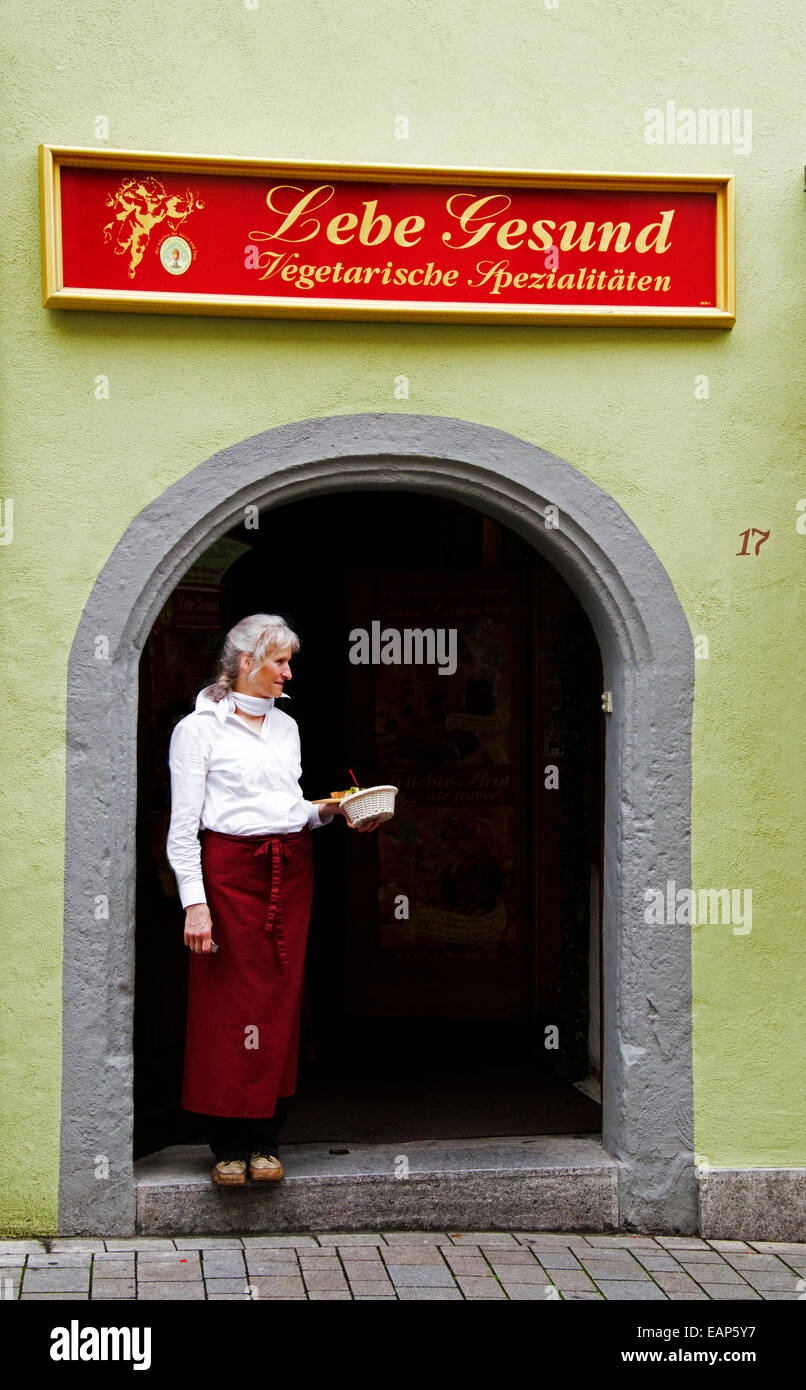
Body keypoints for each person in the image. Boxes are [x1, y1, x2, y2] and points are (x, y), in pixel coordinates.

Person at [165, 612, 384, 1187]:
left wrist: (333, 810)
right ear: (246, 662)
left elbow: (289, 809)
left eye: (289, 662)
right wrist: (195, 902)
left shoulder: (286, 726)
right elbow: (183, 826)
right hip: (229, 874)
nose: (288, 673)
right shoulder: (198, 730)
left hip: (291, 869)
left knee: (279, 1001)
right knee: (226, 1003)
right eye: (280, 661)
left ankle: (266, 1140)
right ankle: (226, 1147)